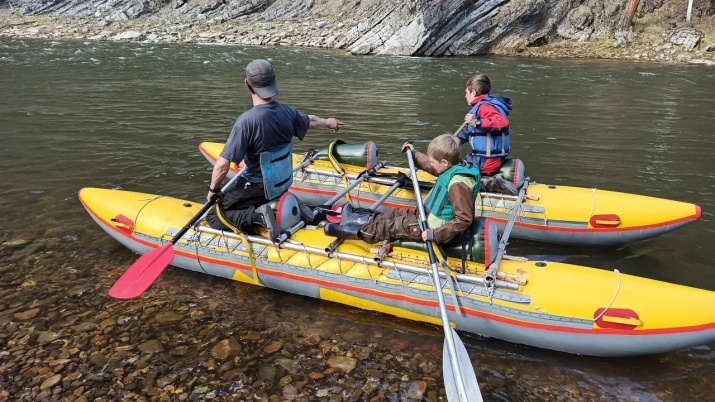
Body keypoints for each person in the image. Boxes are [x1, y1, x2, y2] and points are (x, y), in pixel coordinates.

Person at [206, 59, 344, 241]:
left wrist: (213, 190)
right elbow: (310, 121)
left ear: (247, 84)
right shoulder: (287, 112)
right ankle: (290, 205)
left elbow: (223, 165)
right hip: (282, 182)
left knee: (213, 216)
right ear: (273, 82)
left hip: (259, 187)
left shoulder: (246, 121)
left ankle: (259, 216)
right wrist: (329, 122)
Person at [324, 134, 479, 245]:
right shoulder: (451, 166)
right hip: (427, 214)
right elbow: (430, 166)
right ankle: (357, 220)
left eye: (433, 161)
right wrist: (414, 153)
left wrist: (435, 234)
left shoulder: (458, 185)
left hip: (434, 227)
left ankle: (352, 232)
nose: (431, 164)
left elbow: (464, 219)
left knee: (391, 226)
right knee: (395, 214)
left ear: (444, 162)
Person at [457, 74, 513, 175]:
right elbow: (467, 132)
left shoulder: (485, 107)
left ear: (473, 92)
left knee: (452, 169)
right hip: (487, 159)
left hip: (485, 161)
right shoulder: (484, 106)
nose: (465, 96)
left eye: (466, 93)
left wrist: (477, 122)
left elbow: (502, 123)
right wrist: (451, 142)